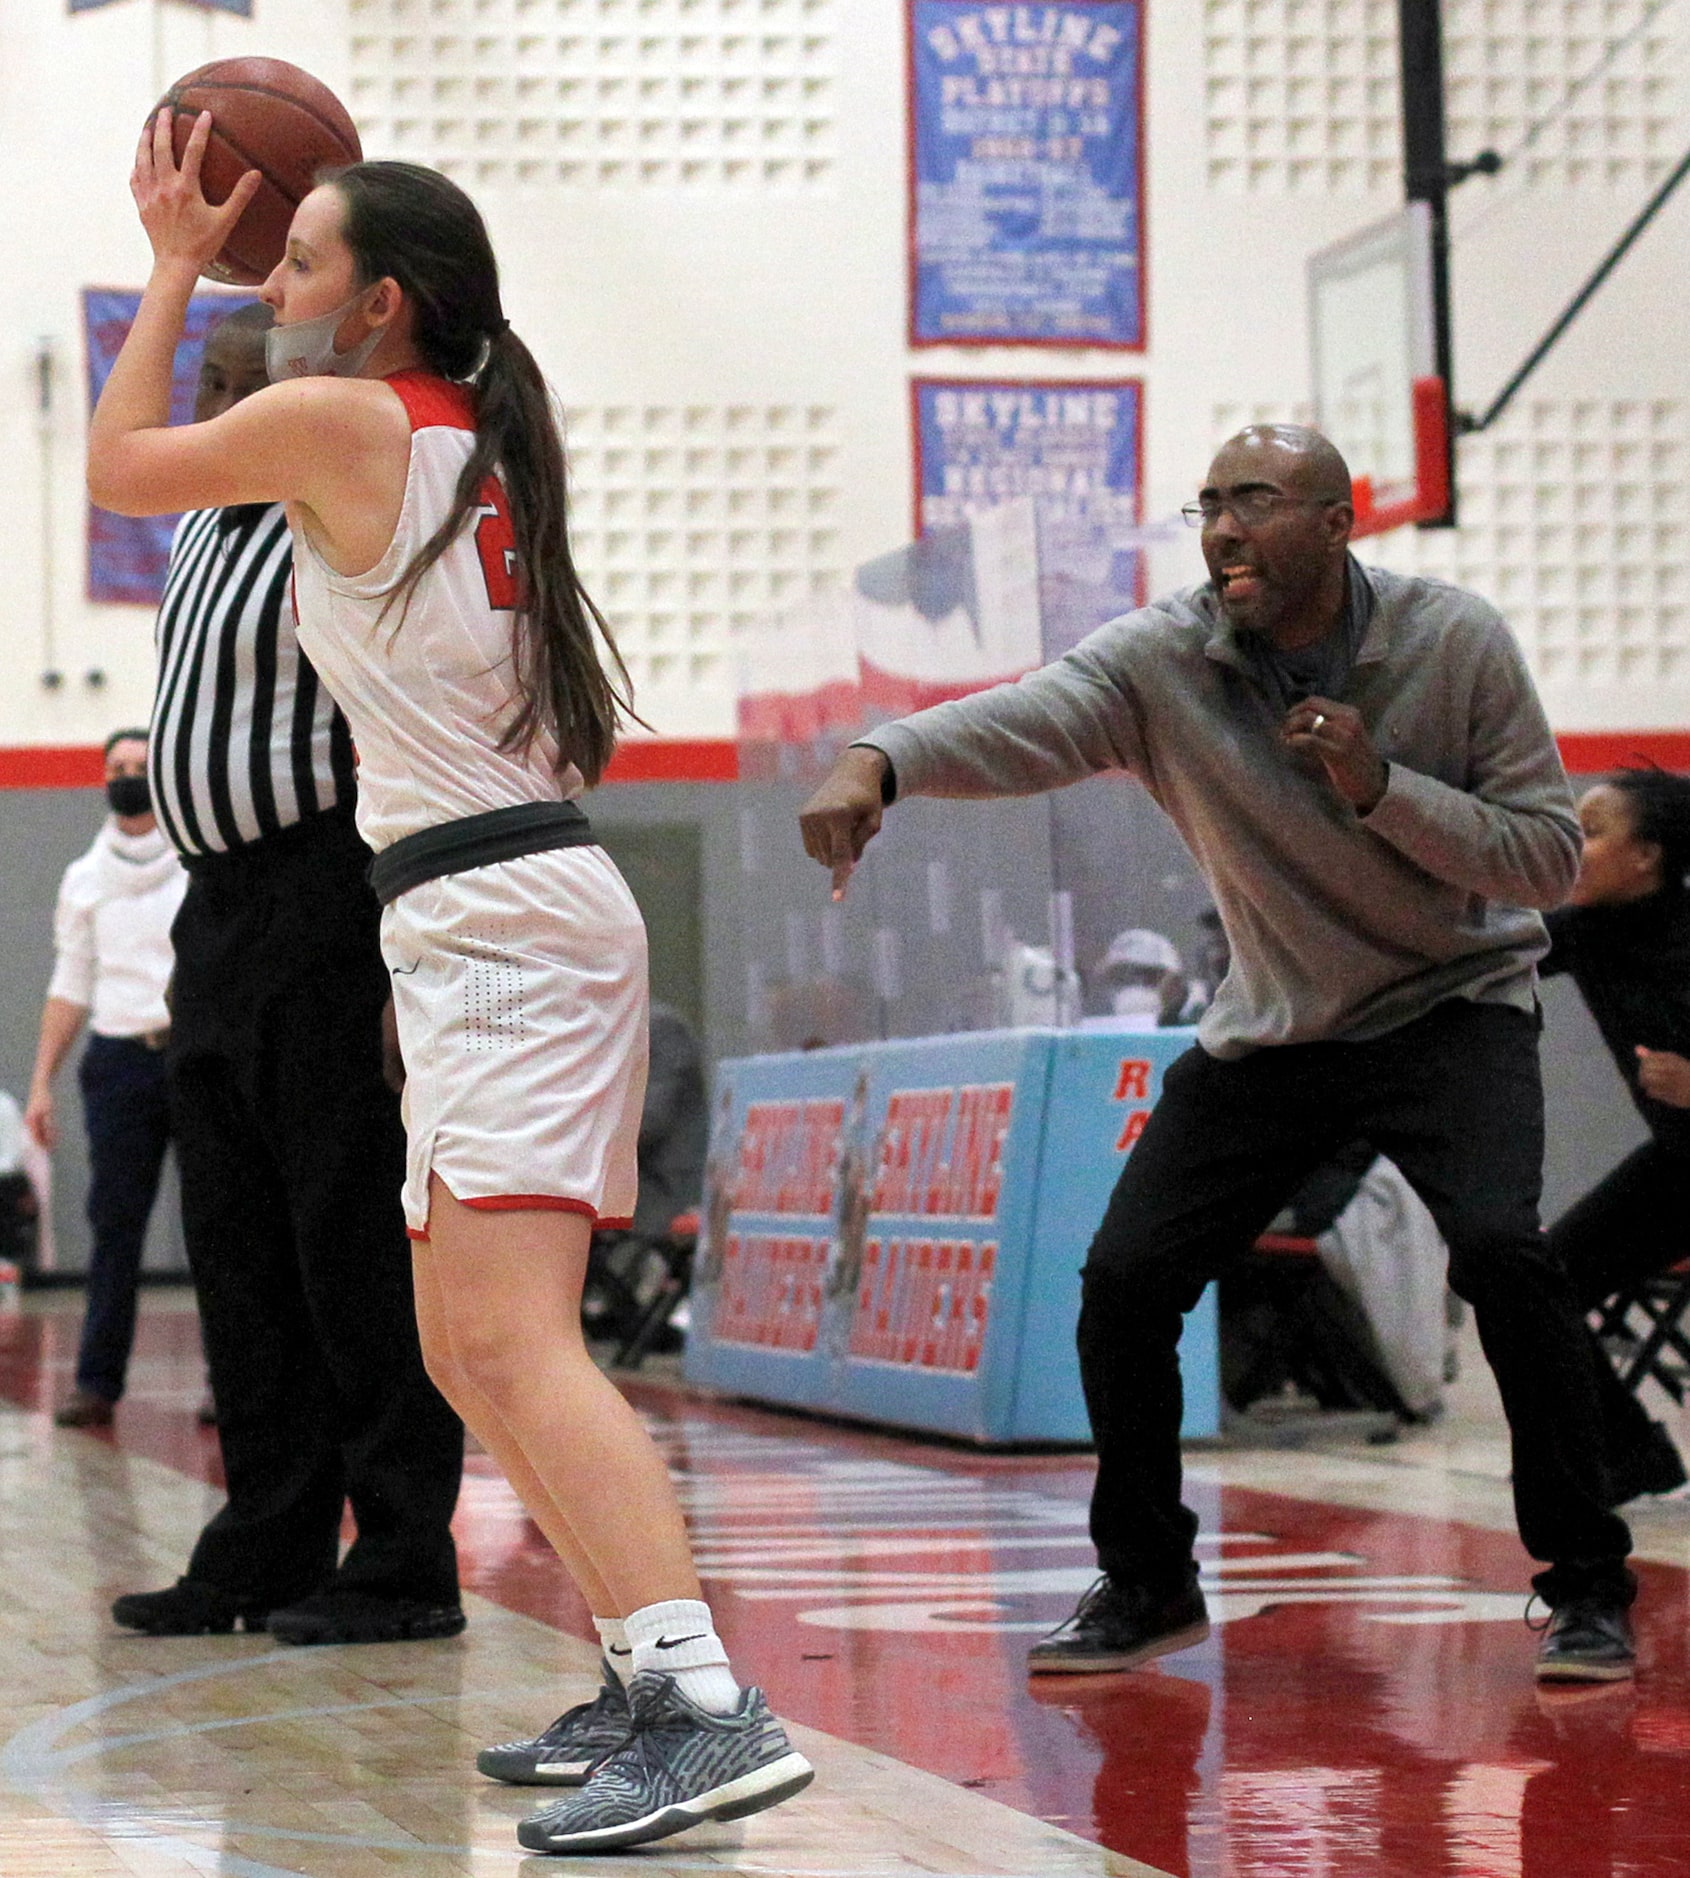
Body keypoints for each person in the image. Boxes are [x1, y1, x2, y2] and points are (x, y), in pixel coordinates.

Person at [89, 113, 811, 1853]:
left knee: (507, 1339)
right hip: (482, 906)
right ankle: (650, 1676)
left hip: (497, 916)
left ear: (385, 304)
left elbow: (115, 467)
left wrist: (173, 259)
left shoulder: (346, 418)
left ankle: (706, 1701)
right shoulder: (464, 433)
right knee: (464, 1341)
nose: (280, 285)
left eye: (306, 262)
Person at [800, 423, 1638, 1685]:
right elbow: (1032, 717)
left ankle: (1585, 1585)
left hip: (1451, 1004)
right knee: (1126, 1282)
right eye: (1206, 506)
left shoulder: (1452, 640)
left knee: (1506, 1255)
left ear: (1338, 523)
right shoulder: (1164, 656)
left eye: (1253, 500)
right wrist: (883, 758)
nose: (1223, 529)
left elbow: (1544, 862)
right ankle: (1146, 1583)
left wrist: (1380, 787)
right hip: (1279, 1023)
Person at [102, 302, 469, 1647]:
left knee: (348, 1234)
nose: (207, 392)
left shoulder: (345, 508)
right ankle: (264, 1533)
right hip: (215, 905)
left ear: (305, 388)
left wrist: (396, 929)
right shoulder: (201, 519)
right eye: (202, 372)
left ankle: (405, 1548)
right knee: (237, 1238)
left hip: (330, 884)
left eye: (232, 373)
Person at [25, 728, 185, 1427]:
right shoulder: (84, 879)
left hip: (192, 1055)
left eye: (139, 768)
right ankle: (97, 1383)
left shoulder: (195, 863)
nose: (127, 778)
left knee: (221, 1231)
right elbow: (70, 983)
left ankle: (234, 1385)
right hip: (118, 1065)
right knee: (114, 1227)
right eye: (116, 768)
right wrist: (40, 1082)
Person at [1541, 768, 1690, 1504]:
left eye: (1592, 830)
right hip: (1678, 1171)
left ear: (1647, 857)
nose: (1573, 843)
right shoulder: (1581, 933)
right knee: (1535, 1284)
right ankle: (1631, 1454)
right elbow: (1465, 950)